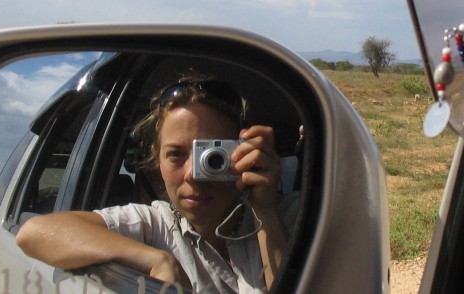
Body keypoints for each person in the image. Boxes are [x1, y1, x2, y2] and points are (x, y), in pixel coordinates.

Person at [16, 76, 292, 294]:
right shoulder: (154, 226)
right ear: (156, 161)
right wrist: (156, 260)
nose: (193, 175)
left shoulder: (294, 214)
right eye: (176, 154)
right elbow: (34, 233)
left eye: (213, 156)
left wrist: (266, 211)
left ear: (243, 152)